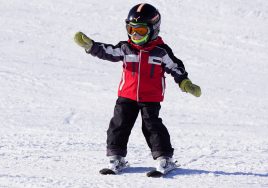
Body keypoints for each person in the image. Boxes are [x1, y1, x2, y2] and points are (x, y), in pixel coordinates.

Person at [74, 3, 201, 174]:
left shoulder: (160, 51)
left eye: (140, 31)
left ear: (153, 29)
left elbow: (175, 66)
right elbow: (108, 51)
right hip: (127, 95)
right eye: (130, 29)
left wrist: (185, 82)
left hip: (150, 97)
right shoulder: (126, 48)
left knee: (151, 126)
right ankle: (116, 158)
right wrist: (91, 46)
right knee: (119, 124)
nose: (134, 34)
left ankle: (165, 159)